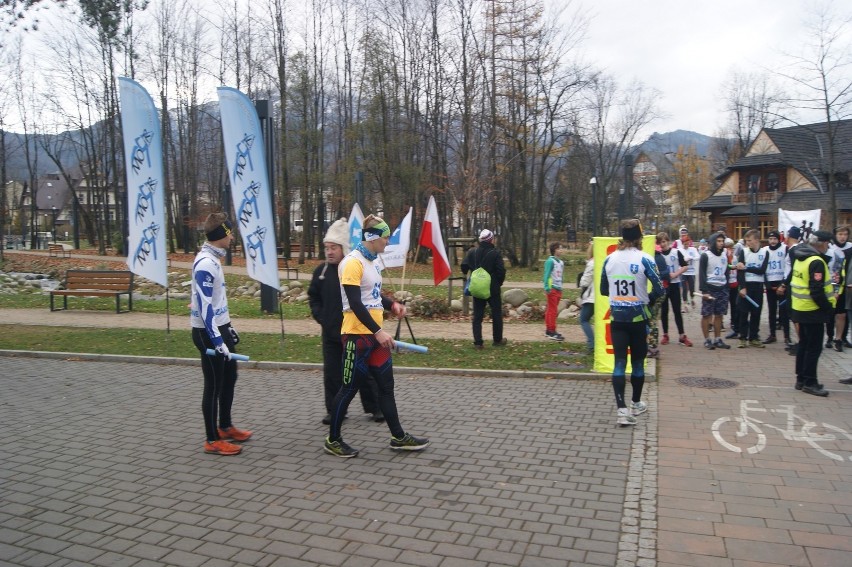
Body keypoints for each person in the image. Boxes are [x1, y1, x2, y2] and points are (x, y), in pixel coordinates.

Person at [324, 214, 429, 457]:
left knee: (386, 387)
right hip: (356, 337)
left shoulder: (374, 262)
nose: (387, 242)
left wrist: (391, 304)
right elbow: (354, 302)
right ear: (372, 238)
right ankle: (333, 439)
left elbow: (373, 295)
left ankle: (398, 436)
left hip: (374, 338)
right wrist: (379, 331)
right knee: (348, 389)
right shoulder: (352, 262)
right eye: (385, 238)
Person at [308, 218, 382, 425]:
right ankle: (334, 411)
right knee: (332, 374)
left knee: (362, 371)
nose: (329, 252)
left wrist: (391, 304)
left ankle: (375, 407)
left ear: (343, 248)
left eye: (334, 248)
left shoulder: (352, 267)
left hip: (354, 332)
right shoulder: (320, 273)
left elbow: (368, 294)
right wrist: (322, 318)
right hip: (331, 334)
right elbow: (313, 297)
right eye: (327, 248)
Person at [190, 213, 252, 456]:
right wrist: (217, 340)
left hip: (220, 327)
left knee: (230, 378)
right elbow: (204, 306)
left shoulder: (215, 260)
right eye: (230, 233)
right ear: (221, 236)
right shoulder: (206, 263)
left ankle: (225, 426)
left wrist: (228, 327)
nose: (233, 237)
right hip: (207, 333)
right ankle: (212, 439)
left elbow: (217, 302)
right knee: (213, 386)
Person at [600, 219, 664, 426]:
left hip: (617, 318)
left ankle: (622, 410)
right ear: (639, 238)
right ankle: (635, 403)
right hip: (638, 319)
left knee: (619, 363)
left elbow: (603, 290)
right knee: (637, 363)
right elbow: (660, 289)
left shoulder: (608, 260)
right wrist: (649, 298)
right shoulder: (645, 259)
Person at [789, 231, 837, 396]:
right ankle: (810, 382)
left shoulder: (800, 257)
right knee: (814, 348)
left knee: (804, 344)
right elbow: (816, 291)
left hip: (800, 308)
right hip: (812, 309)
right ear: (821, 243)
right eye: (827, 243)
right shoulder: (816, 261)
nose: (828, 246)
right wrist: (828, 308)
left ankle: (801, 379)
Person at [461, 229, 506, 349]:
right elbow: (501, 271)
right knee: (496, 314)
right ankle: (497, 340)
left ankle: (478, 342)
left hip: (477, 288)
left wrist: (472, 272)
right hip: (493, 289)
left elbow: (464, 267)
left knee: (477, 315)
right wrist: (498, 283)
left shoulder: (472, 252)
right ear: (491, 239)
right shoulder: (495, 253)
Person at [656, 232, 692, 347]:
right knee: (664, 311)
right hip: (663, 285)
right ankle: (665, 334)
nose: (662, 244)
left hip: (675, 284)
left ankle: (682, 335)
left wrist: (676, 274)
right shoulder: (657, 255)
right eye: (660, 242)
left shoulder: (676, 252)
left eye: (664, 241)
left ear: (668, 241)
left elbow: (685, 266)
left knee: (677, 310)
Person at [735, 229, 769, 348]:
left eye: (749, 240)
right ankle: (742, 337)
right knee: (743, 312)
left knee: (756, 312)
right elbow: (739, 271)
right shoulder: (744, 252)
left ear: (756, 240)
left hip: (758, 286)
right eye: (746, 240)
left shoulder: (765, 252)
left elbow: (762, 270)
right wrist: (742, 287)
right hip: (746, 285)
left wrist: (746, 268)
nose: (747, 243)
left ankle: (754, 337)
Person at [698, 231, 732, 350]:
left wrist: (726, 286)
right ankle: (707, 339)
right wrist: (704, 291)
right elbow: (702, 274)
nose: (721, 243)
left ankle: (718, 339)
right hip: (710, 288)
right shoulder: (705, 255)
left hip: (722, 288)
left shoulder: (724, 255)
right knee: (707, 315)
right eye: (718, 241)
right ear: (713, 242)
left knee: (719, 315)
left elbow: (726, 270)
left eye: (722, 241)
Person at [828, 226, 851, 351]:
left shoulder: (850, 247)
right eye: (840, 234)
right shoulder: (831, 248)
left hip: (845, 285)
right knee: (831, 313)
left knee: (843, 313)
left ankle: (842, 337)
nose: (842, 237)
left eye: (845, 234)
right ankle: (830, 337)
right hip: (831, 284)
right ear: (835, 235)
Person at [763, 230, 788, 345]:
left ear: (779, 240)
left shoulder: (784, 249)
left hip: (781, 284)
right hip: (770, 284)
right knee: (772, 311)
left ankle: (787, 336)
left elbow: (788, 267)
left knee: (784, 311)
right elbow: (762, 268)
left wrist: (783, 283)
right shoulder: (764, 251)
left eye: (775, 239)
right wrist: (766, 283)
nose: (772, 241)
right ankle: (772, 334)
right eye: (771, 239)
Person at [647, 243, 671, 358]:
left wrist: (651, 297)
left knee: (652, 319)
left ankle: (652, 347)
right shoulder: (660, 257)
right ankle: (653, 345)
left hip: (656, 293)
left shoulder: (655, 259)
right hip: (661, 292)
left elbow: (658, 278)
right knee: (654, 318)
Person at [542, 241, 565, 341]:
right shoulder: (550, 261)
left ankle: (549, 330)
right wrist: (547, 287)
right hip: (552, 289)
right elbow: (546, 275)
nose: (561, 250)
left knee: (552, 310)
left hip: (559, 288)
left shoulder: (561, 262)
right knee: (552, 310)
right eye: (559, 248)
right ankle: (551, 331)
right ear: (555, 250)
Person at [578, 243, 595, 352]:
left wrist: (582, 287)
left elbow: (586, 280)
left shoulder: (592, 263)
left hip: (591, 296)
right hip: (602, 297)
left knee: (584, 319)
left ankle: (591, 343)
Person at [723, 238, 740, 340]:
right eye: (728, 248)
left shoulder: (735, 258)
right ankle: (719, 322)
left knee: (734, 305)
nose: (731, 250)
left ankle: (734, 322)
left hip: (734, 284)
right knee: (724, 305)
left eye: (732, 248)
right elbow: (726, 267)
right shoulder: (724, 257)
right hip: (726, 284)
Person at [680, 237, 699, 308]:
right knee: (684, 288)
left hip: (691, 272)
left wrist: (691, 257)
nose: (686, 245)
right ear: (682, 244)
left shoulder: (693, 249)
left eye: (688, 244)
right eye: (685, 244)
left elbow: (698, 257)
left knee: (692, 288)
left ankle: (692, 299)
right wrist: (683, 260)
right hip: (683, 272)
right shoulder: (680, 250)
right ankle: (685, 303)